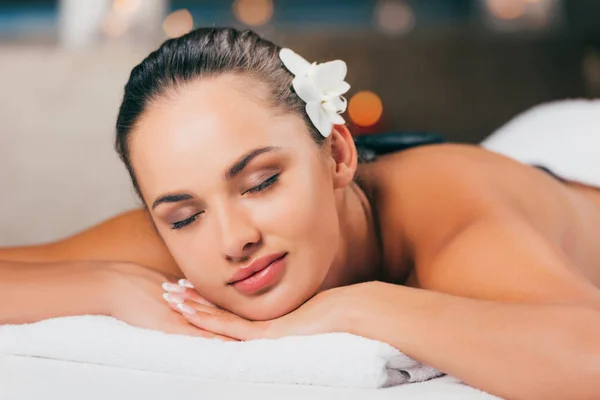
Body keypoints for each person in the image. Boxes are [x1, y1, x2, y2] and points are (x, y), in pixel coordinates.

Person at [1, 27, 599, 399]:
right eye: (183, 216)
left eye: (260, 182)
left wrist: (360, 306)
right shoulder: (196, 241)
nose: (233, 240)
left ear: (337, 153)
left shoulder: (456, 220)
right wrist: (110, 286)